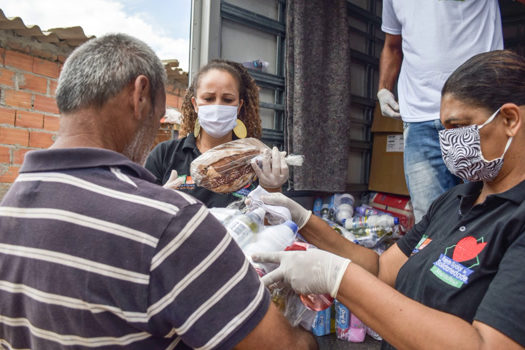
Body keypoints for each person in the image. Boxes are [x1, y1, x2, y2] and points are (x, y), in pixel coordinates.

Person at [0, 34, 317, 350]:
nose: (157, 124)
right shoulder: (170, 221)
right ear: (140, 95)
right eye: (160, 112)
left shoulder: (9, 207)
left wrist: (271, 191)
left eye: (227, 99)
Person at [254, 50, 525, 349]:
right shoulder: (456, 198)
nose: (447, 142)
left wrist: (336, 278)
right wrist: (302, 219)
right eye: (444, 129)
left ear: (510, 119)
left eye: (458, 127)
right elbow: (383, 270)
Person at [377, 0, 504, 222]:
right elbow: (392, 45)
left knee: (488, 218)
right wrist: (384, 89)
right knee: (430, 222)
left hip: (475, 112)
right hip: (419, 120)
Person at [145, 59, 288, 208]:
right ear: (195, 104)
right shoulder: (165, 154)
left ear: (238, 106)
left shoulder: (256, 160)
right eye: (208, 98)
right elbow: (140, 215)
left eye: (227, 99)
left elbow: (273, 223)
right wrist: (157, 202)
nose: (217, 106)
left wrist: (273, 189)